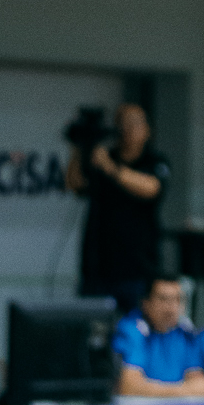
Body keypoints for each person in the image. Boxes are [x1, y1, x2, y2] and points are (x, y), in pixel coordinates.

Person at [68, 102, 170, 313]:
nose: (127, 129)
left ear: (147, 129)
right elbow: (75, 184)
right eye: (122, 123)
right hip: (98, 266)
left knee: (135, 326)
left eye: (134, 123)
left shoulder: (154, 160)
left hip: (138, 268)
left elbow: (152, 188)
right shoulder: (102, 157)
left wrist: (110, 168)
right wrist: (81, 147)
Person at [114, 275, 204, 398]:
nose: (171, 308)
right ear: (146, 303)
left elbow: (197, 382)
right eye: (163, 299)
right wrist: (180, 391)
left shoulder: (184, 332)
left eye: (177, 300)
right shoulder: (132, 329)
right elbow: (129, 386)